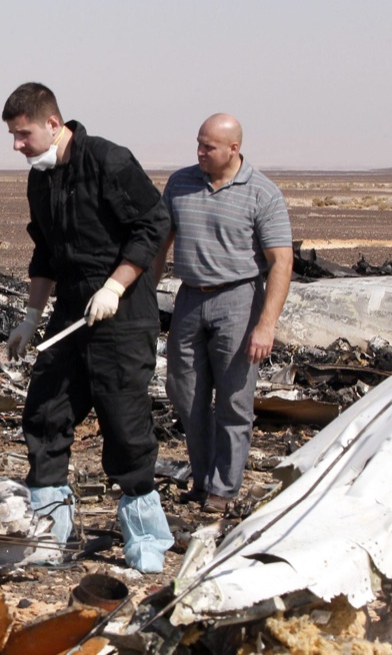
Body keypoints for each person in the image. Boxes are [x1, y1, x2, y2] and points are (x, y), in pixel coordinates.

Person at [2, 82, 173, 572]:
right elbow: (45, 251)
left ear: (53, 125)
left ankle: (145, 537)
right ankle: (50, 530)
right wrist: (32, 317)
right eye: (13, 137)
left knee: (125, 424)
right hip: (71, 313)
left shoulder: (107, 160)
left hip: (121, 313)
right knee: (45, 413)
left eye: (23, 134)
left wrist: (117, 286)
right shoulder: (40, 178)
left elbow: (152, 224)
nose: (17, 145)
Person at [152, 113, 293, 514]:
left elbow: (281, 261)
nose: (199, 152)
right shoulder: (180, 183)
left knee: (233, 399)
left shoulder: (262, 193)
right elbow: (162, 243)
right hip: (189, 298)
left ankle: (224, 489)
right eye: (198, 144)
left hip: (239, 300)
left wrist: (266, 325)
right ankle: (202, 479)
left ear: (234, 148)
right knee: (186, 394)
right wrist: (146, 292)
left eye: (208, 147)